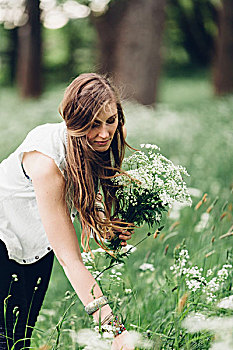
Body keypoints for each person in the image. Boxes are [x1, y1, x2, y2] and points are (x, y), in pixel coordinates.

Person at [0, 73, 135, 350]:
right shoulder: (46, 161)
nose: (104, 133)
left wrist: (104, 223)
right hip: (3, 237)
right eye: (93, 124)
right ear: (74, 122)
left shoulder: (97, 141)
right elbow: (70, 259)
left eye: (111, 120)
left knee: (20, 342)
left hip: (36, 245)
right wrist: (114, 329)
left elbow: (87, 186)